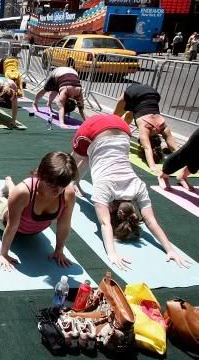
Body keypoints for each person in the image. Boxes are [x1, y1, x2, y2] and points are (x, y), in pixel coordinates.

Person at [71, 114, 190, 270]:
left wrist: (170, 250)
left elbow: (150, 222)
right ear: (111, 208)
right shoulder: (103, 189)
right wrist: (112, 254)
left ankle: (74, 181)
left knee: (88, 155)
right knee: (74, 159)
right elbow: (105, 223)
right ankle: (71, 181)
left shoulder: (138, 186)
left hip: (122, 127)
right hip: (93, 128)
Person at [0, 152, 78, 271]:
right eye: (52, 184)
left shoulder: (68, 193)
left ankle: (9, 183)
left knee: (17, 196)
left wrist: (59, 250)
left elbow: (64, 224)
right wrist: (3, 254)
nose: (58, 190)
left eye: (63, 184)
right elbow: (12, 226)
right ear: (41, 175)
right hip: (4, 219)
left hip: (29, 221)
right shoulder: (23, 192)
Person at [113, 84, 178, 189]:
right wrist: (152, 166)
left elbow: (175, 149)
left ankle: (121, 133)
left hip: (153, 94)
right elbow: (148, 148)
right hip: (133, 92)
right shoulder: (145, 127)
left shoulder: (163, 127)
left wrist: (188, 162)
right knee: (115, 117)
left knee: (129, 115)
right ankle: (115, 132)